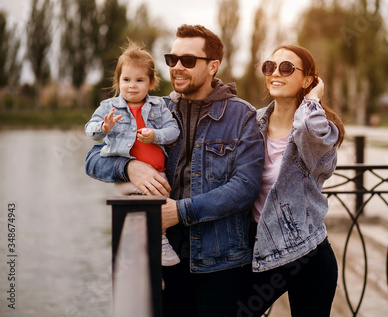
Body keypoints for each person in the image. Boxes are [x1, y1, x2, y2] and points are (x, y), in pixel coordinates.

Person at [85, 24, 265, 317]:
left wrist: (181, 211)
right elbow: (93, 159)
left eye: (188, 61)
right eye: (172, 60)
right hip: (164, 262)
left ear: (213, 67)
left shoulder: (242, 116)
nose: (177, 67)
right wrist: (130, 167)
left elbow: (245, 187)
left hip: (220, 262)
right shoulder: (156, 108)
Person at [238, 44, 345, 317]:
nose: (276, 73)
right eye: (270, 66)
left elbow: (307, 128)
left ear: (307, 80)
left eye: (287, 68)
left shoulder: (317, 128)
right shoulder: (254, 122)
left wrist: (312, 99)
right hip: (259, 245)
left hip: (306, 254)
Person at [85, 40, 181, 266]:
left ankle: (149, 260)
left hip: (158, 172)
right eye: (126, 79)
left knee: (161, 196)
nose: (132, 85)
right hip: (129, 177)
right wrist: (103, 128)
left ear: (151, 83)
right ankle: (160, 242)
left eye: (139, 80)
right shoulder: (109, 107)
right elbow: (91, 132)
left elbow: (173, 131)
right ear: (118, 81)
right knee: (154, 202)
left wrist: (155, 135)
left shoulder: (159, 107)